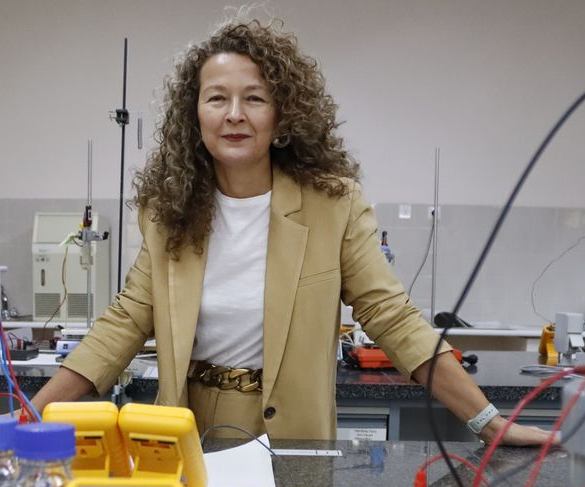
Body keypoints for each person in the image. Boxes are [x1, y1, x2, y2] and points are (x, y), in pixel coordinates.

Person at [31, 18, 551, 447]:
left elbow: (391, 317)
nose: (235, 114)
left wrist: (488, 422)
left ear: (282, 116)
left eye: (254, 98)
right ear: (196, 116)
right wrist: (34, 413)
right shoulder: (169, 212)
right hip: (188, 432)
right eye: (217, 99)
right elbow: (123, 322)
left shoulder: (333, 205)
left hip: (292, 436)